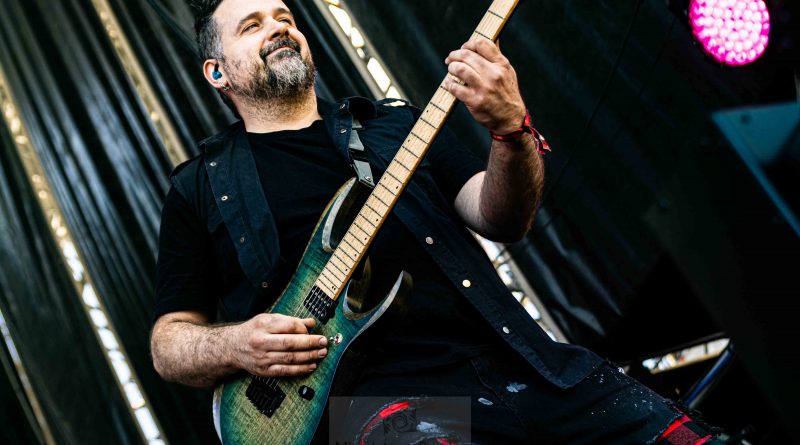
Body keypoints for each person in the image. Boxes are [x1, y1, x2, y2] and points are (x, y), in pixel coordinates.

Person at [150, 0, 724, 443]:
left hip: (518, 362)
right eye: (252, 26)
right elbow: (169, 342)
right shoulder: (201, 187)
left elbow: (500, 216)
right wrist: (237, 345)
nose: (279, 29)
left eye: (285, 18)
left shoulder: (396, 127)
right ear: (217, 72)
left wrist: (511, 131)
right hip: (375, 407)